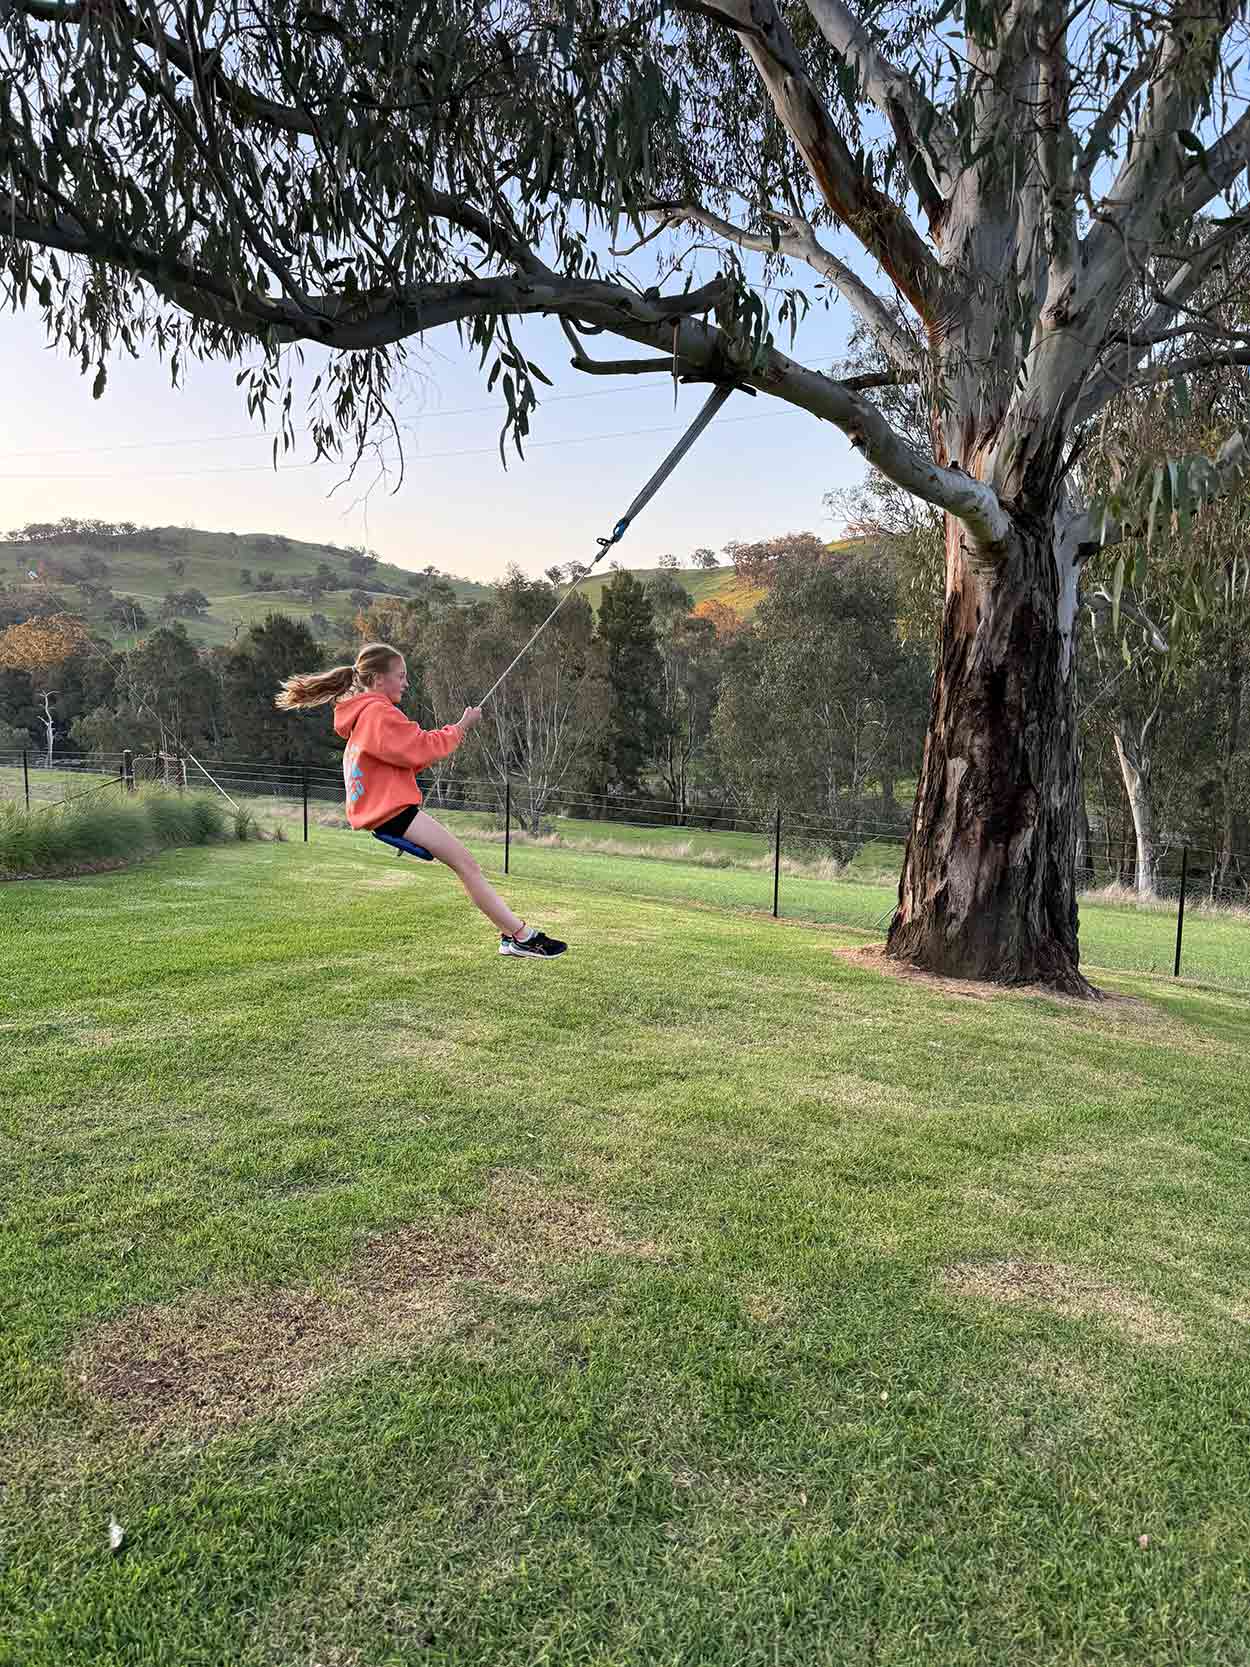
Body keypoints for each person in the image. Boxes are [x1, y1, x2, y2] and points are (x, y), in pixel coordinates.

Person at [275, 641, 567, 958]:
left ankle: (513, 935)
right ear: (377, 680)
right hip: (393, 813)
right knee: (467, 866)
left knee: (466, 865)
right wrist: (460, 728)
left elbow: (407, 757)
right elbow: (420, 745)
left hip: (387, 812)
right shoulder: (377, 713)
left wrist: (452, 735)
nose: (406, 683)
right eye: (400, 676)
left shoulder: (366, 716)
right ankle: (521, 937)